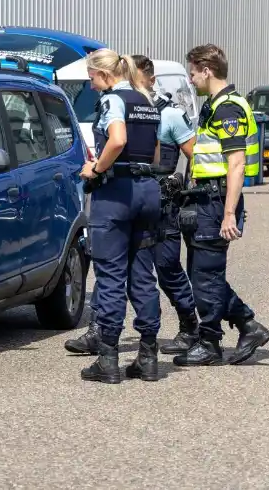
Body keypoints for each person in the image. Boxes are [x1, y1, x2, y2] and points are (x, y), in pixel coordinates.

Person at [174, 44, 269, 366]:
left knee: (206, 275)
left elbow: (236, 163)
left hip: (215, 201)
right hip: (206, 197)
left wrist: (229, 213)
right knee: (203, 274)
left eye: (192, 73)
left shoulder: (227, 108)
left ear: (207, 70)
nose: (191, 80)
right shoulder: (215, 105)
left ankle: (211, 343)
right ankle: (248, 325)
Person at [77, 48, 164, 384]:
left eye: (91, 77)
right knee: (142, 275)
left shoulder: (114, 100)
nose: (91, 84)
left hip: (117, 195)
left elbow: (118, 140)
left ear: (103, 74)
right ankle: (148, 355)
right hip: (147, 192)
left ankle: (108, 357)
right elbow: (155, 151)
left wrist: (96, 168)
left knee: (111, 276)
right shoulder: (145, 101)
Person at [133, 55, 201, 355]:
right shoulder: (124, 110)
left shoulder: (170, 115)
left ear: (149, 80)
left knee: (166, 267)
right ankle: (101, 329)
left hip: (164, 204)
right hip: (132, 199)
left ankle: (190, 326)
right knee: (120, 267)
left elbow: (195, 156)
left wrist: (189, 195)